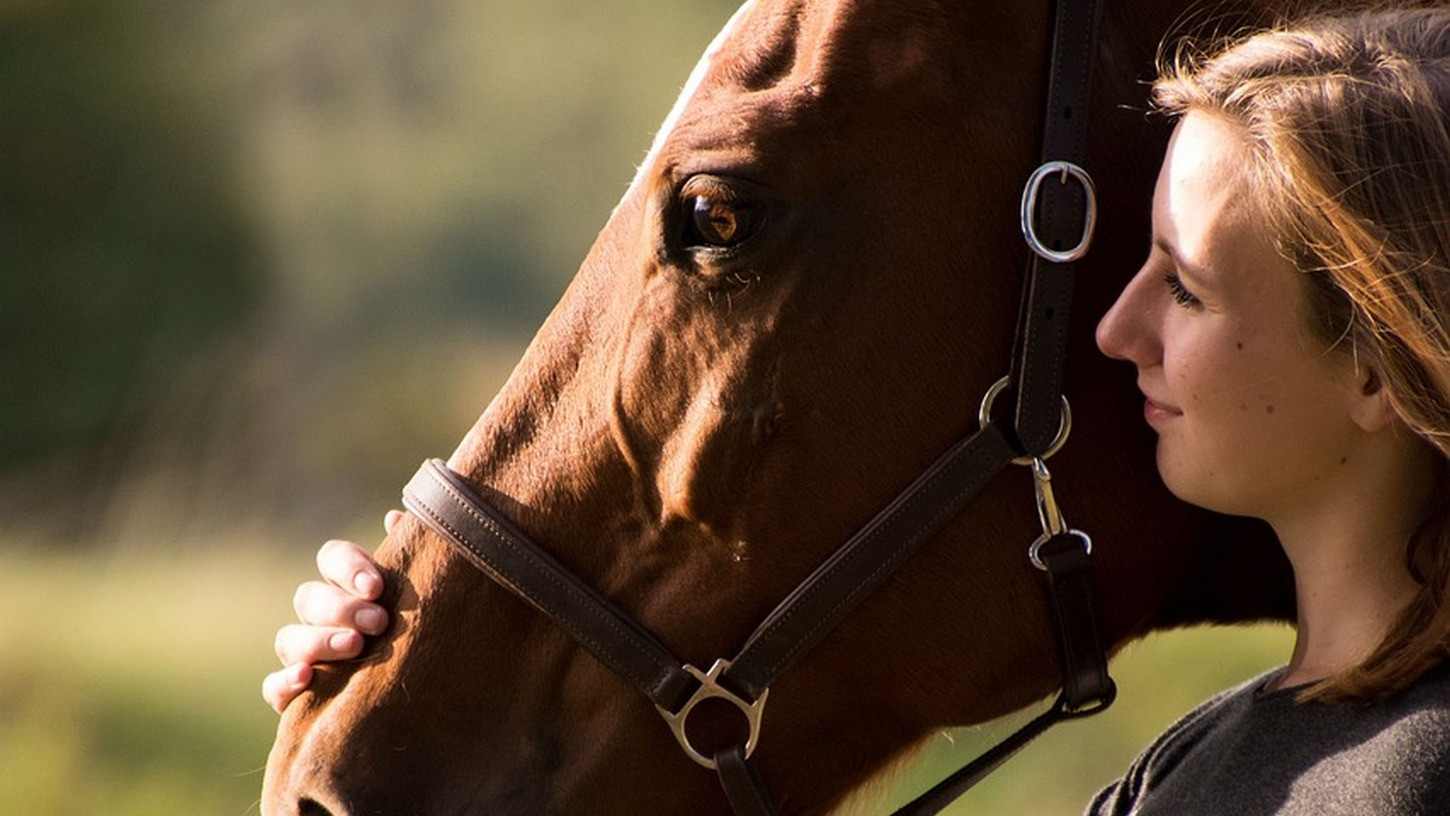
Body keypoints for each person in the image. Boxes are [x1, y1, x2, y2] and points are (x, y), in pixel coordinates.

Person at [263, 7, 1450, 813]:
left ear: (1377, 354)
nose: (1113, 327)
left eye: (1182, 284)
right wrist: (431, 635)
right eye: (1128, 264)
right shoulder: (1208, 764)